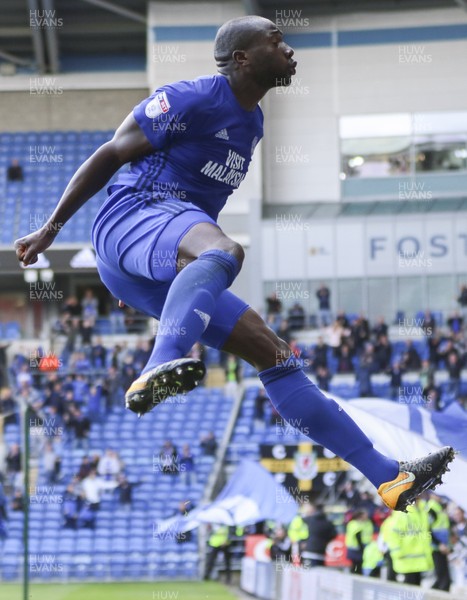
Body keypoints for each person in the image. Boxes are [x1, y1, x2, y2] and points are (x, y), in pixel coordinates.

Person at [14, 15, 454, 514]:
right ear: (242, 58)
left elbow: (204, 206)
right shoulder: (193, 97)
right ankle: (159, 364)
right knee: (226, 251)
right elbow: (111, 153)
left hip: (167, 243)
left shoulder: (253, 123)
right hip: (133, 215)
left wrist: (154, 269)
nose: (289, 50)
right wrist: (51, 229)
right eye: (277, 40)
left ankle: (389, 477)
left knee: (275, 354)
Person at [300, 503, 336, 568]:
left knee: (307, 575)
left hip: (308, 552)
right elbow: (334, 534)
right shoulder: (328, 523)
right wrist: (325, 541)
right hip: (321, 552)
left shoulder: (309, 520)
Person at [345, 509, 374, 574]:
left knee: (361, 563)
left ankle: (358, 573)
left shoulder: (368, 523)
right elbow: (357, 535)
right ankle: (354, 573)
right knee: (356, 563)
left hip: (365, 545)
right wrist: (361, 546)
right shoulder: (353, 524)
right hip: (355, 546)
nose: (367, 516)